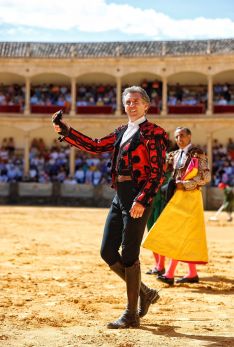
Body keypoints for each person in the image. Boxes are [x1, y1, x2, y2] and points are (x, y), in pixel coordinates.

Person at [52, 86, 168, 329]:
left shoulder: (154, 133)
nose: (131, 105)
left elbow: (157, 173)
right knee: (107, 251)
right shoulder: (122, 131)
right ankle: (144, 293)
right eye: (128, 102)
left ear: (146, 106)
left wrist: (142, 199)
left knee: (129, 255)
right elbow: (95, 145)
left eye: (136, 101)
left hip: (138, 196)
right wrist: (67, 131)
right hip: (120, 195)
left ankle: (131, 314)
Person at [142, 127, 211, 285]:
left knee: (178, 234)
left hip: (191, 197)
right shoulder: (175, 154)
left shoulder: (197, 153)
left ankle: (170, 273)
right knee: (184, 234)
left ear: (189, 136)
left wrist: (185, 184)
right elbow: (158, 164)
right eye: (177, 136)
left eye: (182, 136)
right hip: (177, 197)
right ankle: (192, 273)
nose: (179, 139)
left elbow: (206, 176)